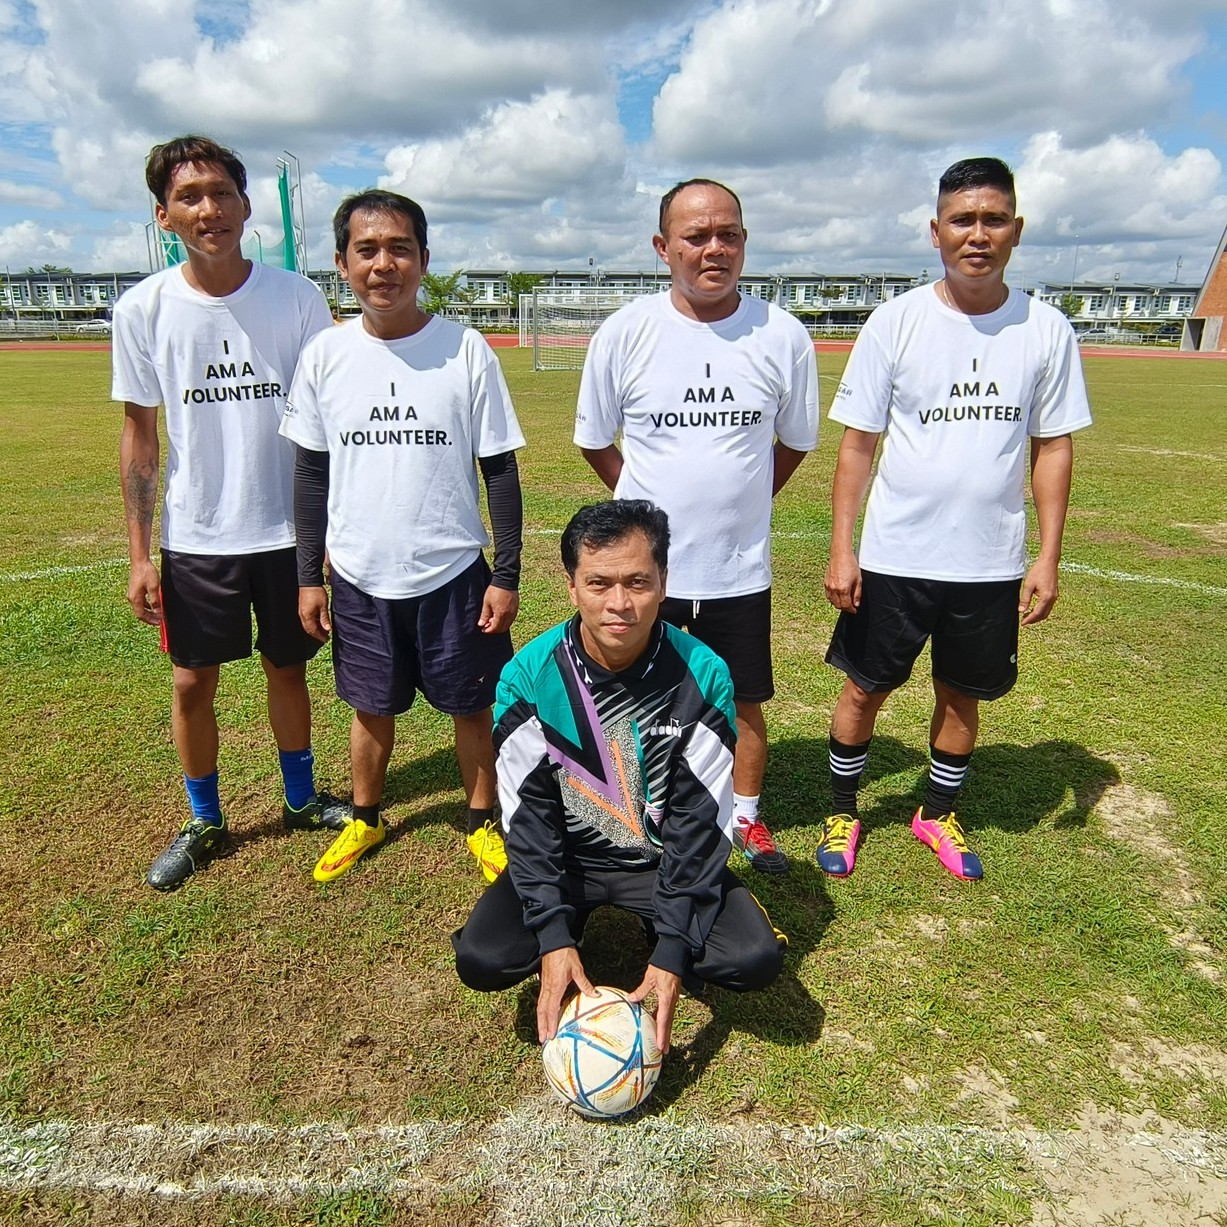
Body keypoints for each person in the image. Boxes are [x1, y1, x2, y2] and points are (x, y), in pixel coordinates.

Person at [817, 156, 1092, 882]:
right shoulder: (896, 321)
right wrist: (841, 549)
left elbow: (1052, 445)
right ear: (935, 232)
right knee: (862, 687)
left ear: (1016, 230)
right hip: (894, 555)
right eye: (962, 220)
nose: (978, 234)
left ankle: (934, 812)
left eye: (992, 219)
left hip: (988, 560)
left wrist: (1046, 556)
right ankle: (843, 810)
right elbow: (856, 445)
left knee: (960, 694)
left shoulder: (1046, 328)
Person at [453, 500, 785, 1053]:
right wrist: (554, 935)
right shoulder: (528, 678)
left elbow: (701, 821)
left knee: (751, 960)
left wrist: (674, 943)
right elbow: (528, 821)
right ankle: (570, 930)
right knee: (483, 959)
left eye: (638, 582)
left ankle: (662, 925)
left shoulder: (703, 674)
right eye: (599, 583)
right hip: (568, 863)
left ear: (663, 582)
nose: (620, 604)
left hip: (658, 864)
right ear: (572, 587)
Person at [113, 135, 345, 892]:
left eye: (220, 192)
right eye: (189, 197)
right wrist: (141, 553)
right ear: (164, 214)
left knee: (288, 668)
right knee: (191, 683)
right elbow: (141, 436)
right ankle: (205, 817)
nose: (208, 208)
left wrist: (329, 533)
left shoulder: (297, 298)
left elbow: (326, 424)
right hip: (197, 535)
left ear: (246, 205)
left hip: (286, 532)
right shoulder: (143, 307)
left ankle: (303, 801)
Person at [574, 179, 819, 876]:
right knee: (631, 697)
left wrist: (747, 500)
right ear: (663, 248)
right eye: (695, 236)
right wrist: (643, 519)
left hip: (738, 569)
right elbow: (595, 440)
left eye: (728, 234)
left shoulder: (782, 335)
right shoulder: (626, 331)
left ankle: (744, 817)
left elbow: (793, 440)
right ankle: (636, 811)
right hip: (647, 574)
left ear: (744, 241)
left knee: (741, 699)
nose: (713, 248)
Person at [280, 189, 525, 885]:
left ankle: (483, 823)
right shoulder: (326, 354)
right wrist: (308, 575)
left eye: (399, 249)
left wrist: (504, 573)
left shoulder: (465, 349)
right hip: (358, 573)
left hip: (453, 571)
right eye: (366, 250)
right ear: (341, 263)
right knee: (369, 705)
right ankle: (365, 814)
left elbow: (499, 468)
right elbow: (309, 472)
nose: (383, 264)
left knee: (472, 703)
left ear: (423, 259)